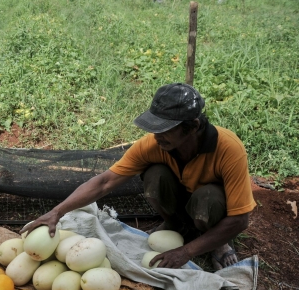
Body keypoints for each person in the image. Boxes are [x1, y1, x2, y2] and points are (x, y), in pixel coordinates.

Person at [20, 83, 256, 271]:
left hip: (211, 210)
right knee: (155, 175)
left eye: (165, 129)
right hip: (180, 203)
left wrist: (186, 252)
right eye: (154, 127)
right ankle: (174, 227)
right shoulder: (154, 144)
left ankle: (214, 241)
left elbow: (240, 220)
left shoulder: (228, 148)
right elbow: (105, 182)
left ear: (192, 127)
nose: (156, 135)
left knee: (209, 197)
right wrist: (57, 212)